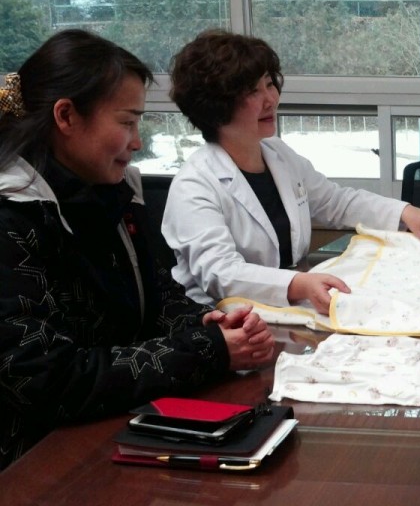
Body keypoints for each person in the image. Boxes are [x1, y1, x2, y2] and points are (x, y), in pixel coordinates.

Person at [0, 29, 274, 470]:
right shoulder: (12, 217)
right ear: (66, 116)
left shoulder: (112, 194)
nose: (138, 141)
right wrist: (207, 350)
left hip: (119, 427)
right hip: (37, 461)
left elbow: (156, 295)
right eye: (127, 122)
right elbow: (47, 379)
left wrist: (207, 323)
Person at [162, 30, 420, 314]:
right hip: (220, 321)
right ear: (215, 106)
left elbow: (335, 202)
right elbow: (221, 273)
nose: (270, 99)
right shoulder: (194, 185)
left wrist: (403, 212)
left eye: (269, 84)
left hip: (283, 310)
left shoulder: (277, 154)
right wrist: (298, 284)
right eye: (252, 91)